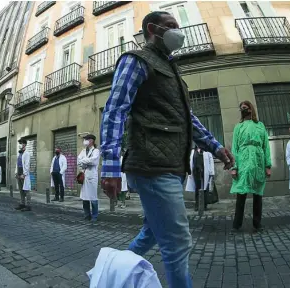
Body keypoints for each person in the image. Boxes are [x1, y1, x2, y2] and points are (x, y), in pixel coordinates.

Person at [99, 11, 234, 288]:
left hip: (171, 164)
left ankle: (111, 275)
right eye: (171, 26)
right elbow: (115, 110)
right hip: (152, 165)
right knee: (177, 241)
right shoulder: (136, 60)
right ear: (152, 29)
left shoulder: (171, 70)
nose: (178, 31)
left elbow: (188, 119)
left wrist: (216, 147)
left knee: (152, 230)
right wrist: (110, 167)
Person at [230, 101, 271, 233]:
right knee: (241, 194)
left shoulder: (260, 125)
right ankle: (236, 225)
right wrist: (234, 167)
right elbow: (234, 148)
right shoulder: (238, 127)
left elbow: (266, 146)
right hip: (243, 162)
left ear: (251, 109)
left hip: (258, 161)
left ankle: (257, 223)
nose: (243, 110)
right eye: (241, 108)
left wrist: (267, 165)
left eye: (245, 108)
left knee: (258, 195)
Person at [77, 134, 100, 221]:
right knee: (85, 198)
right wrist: (84, 162)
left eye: (86, 139)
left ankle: (94, 216)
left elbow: (93, 161)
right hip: (85, 175)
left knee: (93, 198)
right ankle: (87, 215)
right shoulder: (83, 151)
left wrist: (83, 161)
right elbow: (78, 161)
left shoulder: (96, 151)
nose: (84, 141)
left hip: (92, 177)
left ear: (91, 141)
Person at [185, 145, 215, 211]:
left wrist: (212, 172)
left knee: (205, 188)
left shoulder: (207, 151)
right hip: (196, 172)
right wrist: (189, 172)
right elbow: (190, 162)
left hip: (205, 172)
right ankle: (197, 205)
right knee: (197, 188)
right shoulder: (193, 151)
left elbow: (211, 161)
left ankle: (204, 205)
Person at [14, 138, 31, 211]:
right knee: (21, 190)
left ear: (24, 144)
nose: (20, 145)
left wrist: (24, 174)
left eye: (21, 143)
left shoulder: (27, 153)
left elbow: (27, 164)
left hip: (24, 174)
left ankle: (28, 205)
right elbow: (17, 163)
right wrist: (16, 173)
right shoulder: (19, 153)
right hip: (19, 173)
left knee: (26, 190)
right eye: (19, 143)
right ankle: (22, 203)